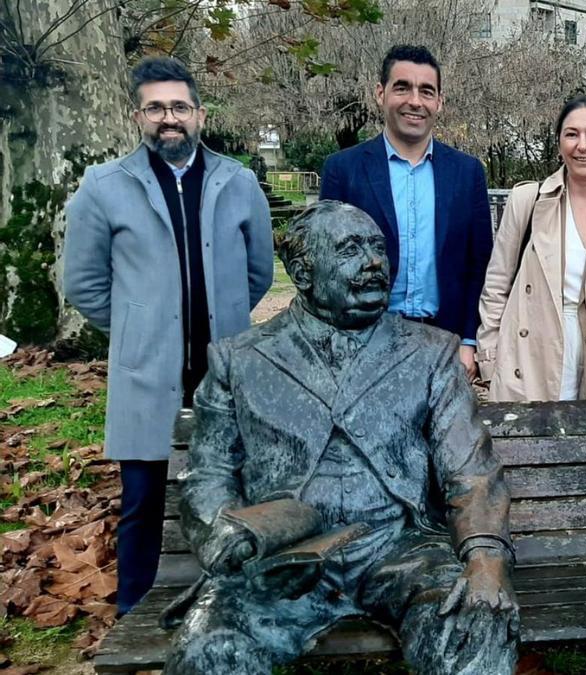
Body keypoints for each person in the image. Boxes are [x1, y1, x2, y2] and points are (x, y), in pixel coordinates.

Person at [164, 201, 518, 675]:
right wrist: (222, 533)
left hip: (401, 550)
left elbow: (470, 469)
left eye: (377, 248)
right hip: (281, 562)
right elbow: (208, 473)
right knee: (209, 651)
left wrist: (485, 555)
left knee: (472, 633)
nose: (374, 262)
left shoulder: (431, 353)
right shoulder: (240, 360)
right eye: (350, 250)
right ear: (303, 272)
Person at [63, 57, 273, 617]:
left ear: (199, 113)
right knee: (143, 500)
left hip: (223, 368)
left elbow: (258, 272)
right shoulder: (104, 186)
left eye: (179, 106)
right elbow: (83, 282)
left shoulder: (238, 181)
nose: (168, 118)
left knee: (230, 495)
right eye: (155, 107)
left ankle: (227, 608)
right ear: (138, 116)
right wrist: (139, 326)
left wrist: (220, 317)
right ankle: (134, 611)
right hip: (146, 370)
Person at [320, 44, 491, 379]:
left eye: (426, 91)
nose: (415, 100)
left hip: (445, 344)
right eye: (402, 87)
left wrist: (469, 340)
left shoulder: (467, 173)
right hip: (364, 343)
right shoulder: (344, 169)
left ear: (439, 101)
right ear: (380, 93)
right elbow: (326, 266)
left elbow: (479, 263)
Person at [476, 96, 586, 401]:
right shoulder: (528, 201)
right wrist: (491, 361)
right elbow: (496, 285)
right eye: (571, 134)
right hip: (532, 357)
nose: (582, 145)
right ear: (559, 144)